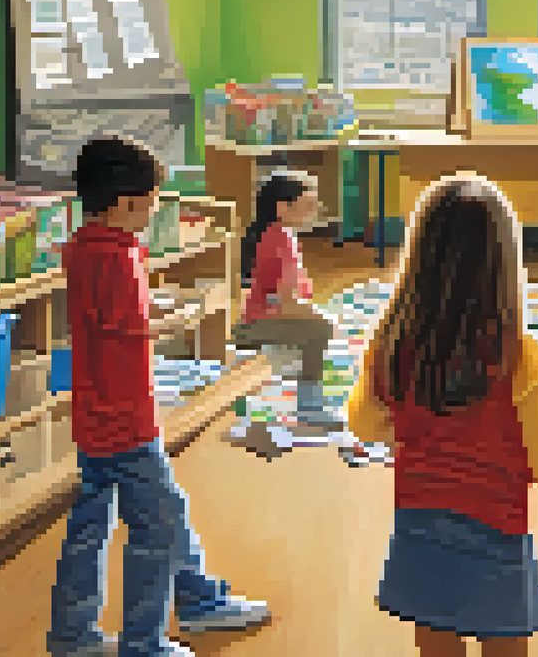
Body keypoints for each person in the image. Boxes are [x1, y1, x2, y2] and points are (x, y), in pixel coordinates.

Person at [347, 174, 538, 657]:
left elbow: (365, 423)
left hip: (417, 524)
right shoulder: (522, 356)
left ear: (419, 255)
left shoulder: (391, 344)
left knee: (435, 639)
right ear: (504, 260)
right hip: (497, 530)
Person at [50, 137, 271, 657]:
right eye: (152, 200)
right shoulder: (121, 258)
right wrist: (185, 313)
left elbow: (109, 322)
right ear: (127, 203)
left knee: (97, 524)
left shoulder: (82, 246)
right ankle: (146, 642)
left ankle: (75, 634)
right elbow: (135, 327)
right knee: (157, 525)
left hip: (93, 416)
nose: (154, 209)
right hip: (126, 422)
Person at [234, 170, 339, 435]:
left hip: (260, 314)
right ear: (283, 207)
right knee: (318, 331)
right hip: (256, 324)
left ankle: (309, 401)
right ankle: (310, 408)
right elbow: (287, 302)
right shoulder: (282, 240)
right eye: (308, 204)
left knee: (318, 325)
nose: (315, 210)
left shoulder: (275, 233)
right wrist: (325, 319)